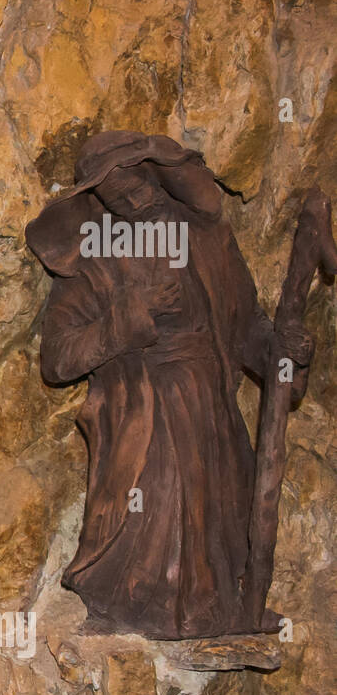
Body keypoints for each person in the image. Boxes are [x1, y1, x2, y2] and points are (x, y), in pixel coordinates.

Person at [27, 131, 314, 638]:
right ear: (97, 199)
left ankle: (226, 606)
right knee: (158, 496)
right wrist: (131, 315)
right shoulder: (95, 259)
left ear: (153, 171)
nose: (128, 194)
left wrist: (283, 356)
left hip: (212, 404)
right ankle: (140, 603)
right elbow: (58, 358)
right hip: (146, 404)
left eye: (132, 178)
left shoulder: (203, 236)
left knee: (219, 505)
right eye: (111, 189)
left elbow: (246, 324)